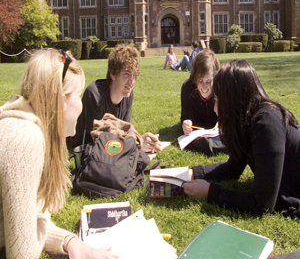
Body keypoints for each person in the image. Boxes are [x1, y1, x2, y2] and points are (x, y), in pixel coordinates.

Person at [0, 49, 121, 259]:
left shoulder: (26, 126)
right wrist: (41, 214)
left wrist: (69, 241)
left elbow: (24, 222)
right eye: (78, 94)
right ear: (61, 99)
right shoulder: (24, 138)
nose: (81, 105)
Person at [183, 59, 300, 218]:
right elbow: (232, 169)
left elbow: (263, 205)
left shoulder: (266, 124)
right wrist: (194, 173)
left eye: (217, 100)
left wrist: (210, 192)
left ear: (233, 101)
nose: (215, 109)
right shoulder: (248, 122)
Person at [67, 44, 161, 153]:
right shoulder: (95, 95)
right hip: (81, 144)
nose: (132, 81)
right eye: (126, 74)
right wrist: (138, 143)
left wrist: (143, 140)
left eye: (134, 75)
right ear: (113, 74)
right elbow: (99, 140)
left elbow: (125, 130)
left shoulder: (128, 95)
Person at [181, 49, 227, 156]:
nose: (204, 87)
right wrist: (186, 123)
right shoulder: (187, 88)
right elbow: (186, 115)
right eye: (200, 81)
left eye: (208, 81)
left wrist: (223, 120)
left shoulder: (222, 87)